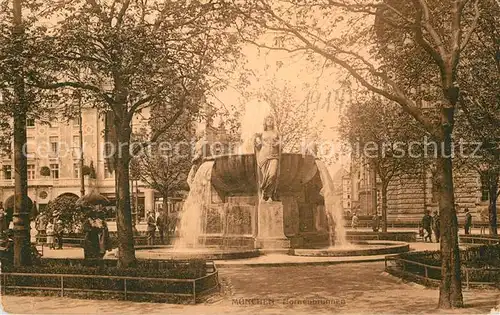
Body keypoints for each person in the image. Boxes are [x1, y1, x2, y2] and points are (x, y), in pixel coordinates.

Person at [254, 115, 282, 202]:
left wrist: (278, 144)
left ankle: (268, 194)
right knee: (263, 178)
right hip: (263, 156)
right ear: (265, 122)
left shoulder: (276, 133)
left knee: (272, 175)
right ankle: (265, 196)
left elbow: (281, 142)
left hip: (274, 156)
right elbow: (255, 140)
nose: (270, 121)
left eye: (271, 120)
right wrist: (257, 141)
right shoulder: (262, 133)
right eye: (268, 120)